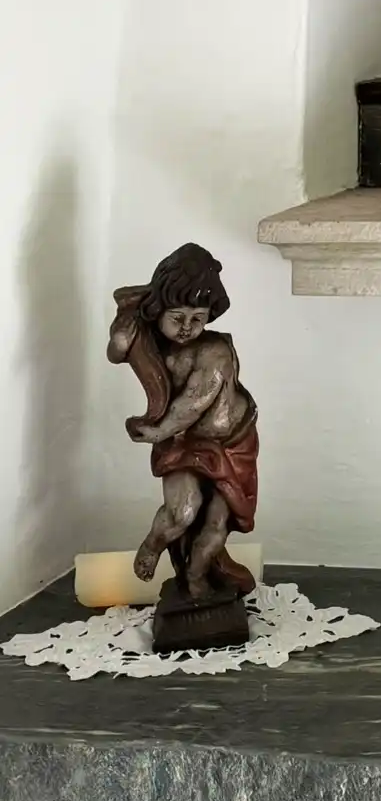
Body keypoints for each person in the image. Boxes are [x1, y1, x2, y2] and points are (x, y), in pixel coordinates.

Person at [108, 243, 258, 602]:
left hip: (231, 445)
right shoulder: (152, 343)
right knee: (182, 512)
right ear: (159, 310)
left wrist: (158, 430)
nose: (188, 328)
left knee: (216, 523)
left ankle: (196, 580)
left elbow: (195, 401)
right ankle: (152, 545)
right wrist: (120, 335)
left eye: (198, 318)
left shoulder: (215, 352)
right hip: (181, 442)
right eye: (177, 318)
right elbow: (116, 353)